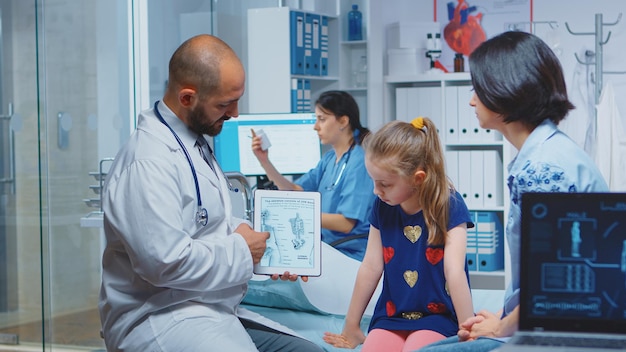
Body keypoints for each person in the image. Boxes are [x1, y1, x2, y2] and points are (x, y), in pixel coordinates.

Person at [98, 34, 323, 352]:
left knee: (307, 351)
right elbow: (164, 263)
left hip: (205, 306)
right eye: (224, 103)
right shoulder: (148, 162)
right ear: (187, 97)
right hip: (159, 316)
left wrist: (246, 236)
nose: (235, 113)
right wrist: (244, 250)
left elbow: (200, 218)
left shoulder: (193, 143)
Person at [418, 31, 608, 352]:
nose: (471, 100)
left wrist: (502, 326)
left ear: (507, 91)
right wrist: (504, 318)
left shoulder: (544, 169)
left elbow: (557, 283)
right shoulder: (543, 154)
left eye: (478, 89)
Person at [323, 117, 475, 351]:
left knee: (417, 347)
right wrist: (351, 325)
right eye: (373, 181)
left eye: (385, 184)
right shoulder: (382, 206)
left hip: (438, 317)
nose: (376, 191)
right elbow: (371, 266)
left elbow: (454, 271)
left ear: (418, 178)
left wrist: (469, 332)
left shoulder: (449, 204)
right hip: (392, 315)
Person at [251, 90, 375, 261]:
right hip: (328, 249)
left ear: (343, 121)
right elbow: (295, 190)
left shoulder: (360, 161)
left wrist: (299, 216)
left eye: (322, 119)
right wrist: (264, 161)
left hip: (350, 256)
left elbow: (345, 224)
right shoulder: (330, 159)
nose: (315, 126)